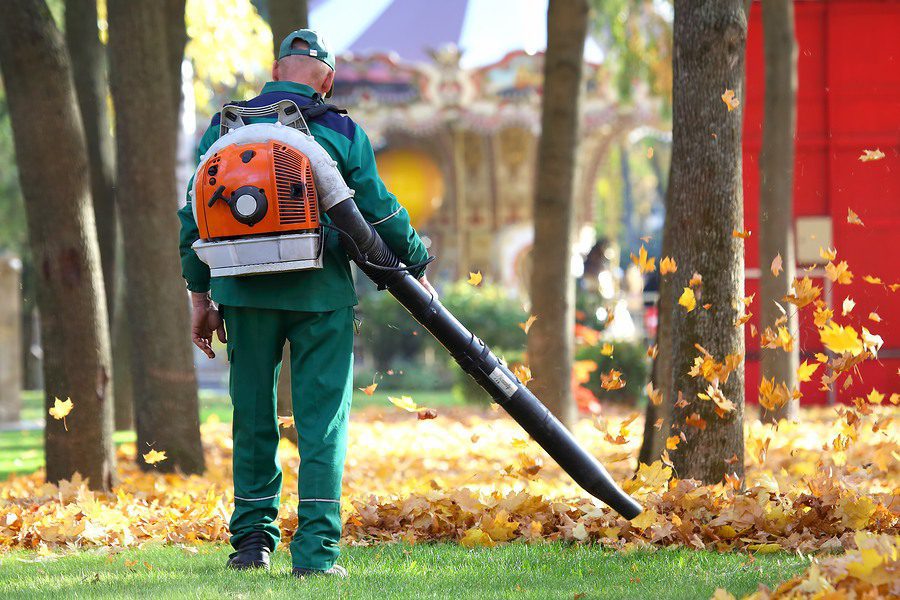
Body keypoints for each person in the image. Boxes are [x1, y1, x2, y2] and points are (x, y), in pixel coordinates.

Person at [177, 29, 434, 578]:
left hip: (242, 295)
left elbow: (192, 216)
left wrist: (200, 295)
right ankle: (316, 555)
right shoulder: (339, 130)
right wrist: (416, 260)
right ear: (329, 80)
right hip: (320, 295)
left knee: (252, 416)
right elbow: (380, 210)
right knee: (322, 423)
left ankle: (250, 544)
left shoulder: (224, 128)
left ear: (274, 69)